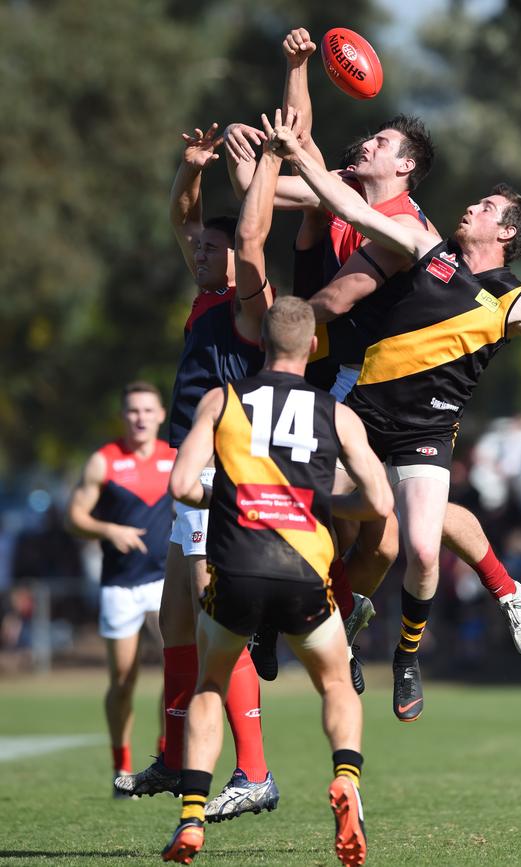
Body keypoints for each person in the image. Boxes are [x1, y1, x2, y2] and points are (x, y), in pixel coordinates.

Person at [268, 110, 521, 722]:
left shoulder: (514, 303)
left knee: (422, 548)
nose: (469, 208)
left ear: (505, 233)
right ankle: (303, 618)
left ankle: (408, 656)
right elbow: (357, 210)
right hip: (362, 413)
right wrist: (304, 159)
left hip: (426, 432)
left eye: (484, 207)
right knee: (316, 505)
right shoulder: (427, 248)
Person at [224, 28, 521, 667]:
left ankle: (353, 613)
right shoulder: (341, 187)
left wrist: (275, 325)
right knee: (386, 519)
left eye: (380, 141)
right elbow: (289, 164)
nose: (364, 142)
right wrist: (285, 91)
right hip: (319, 362)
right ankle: (333, 612)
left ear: (403, 165)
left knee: (392, 528)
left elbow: (337, 300)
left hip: (354, 372)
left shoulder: (405, 228)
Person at [161, 296, 393, 867]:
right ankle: (345, 778)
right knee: (337, 683)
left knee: (211, 684)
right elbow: (380, 502)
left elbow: (182, 484)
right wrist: (317, 500)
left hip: (236, 570)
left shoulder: (221, 399)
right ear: (313, 346)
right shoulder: (337, 415)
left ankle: (192, 815)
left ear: (258, 342)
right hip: (305, 574)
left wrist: (238, 500)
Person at [114, 118, 279, 821]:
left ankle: (255, 770)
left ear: (237, 260)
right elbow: (182, 214)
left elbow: (249, 237)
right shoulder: (207, 294)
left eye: (213, 247)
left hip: (222, 480)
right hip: (192, 481)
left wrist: (259, 173)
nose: (200, 250)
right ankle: (178, 749)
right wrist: (192, 169)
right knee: (173, 618)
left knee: (218, 628)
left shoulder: (249, 308)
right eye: (202, 246)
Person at [66, 381, 175, 794]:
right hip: (119, 586)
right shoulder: (104, 461)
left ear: (161, 414)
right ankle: (121, 765)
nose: (140, 418)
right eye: (132, 411)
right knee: (124, 680)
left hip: (165, 581)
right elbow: (74, 516)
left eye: (148, 410)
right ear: (123, 416)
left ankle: (168, 757)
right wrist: (109, 529)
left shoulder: (174, 455)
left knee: (176, 668)